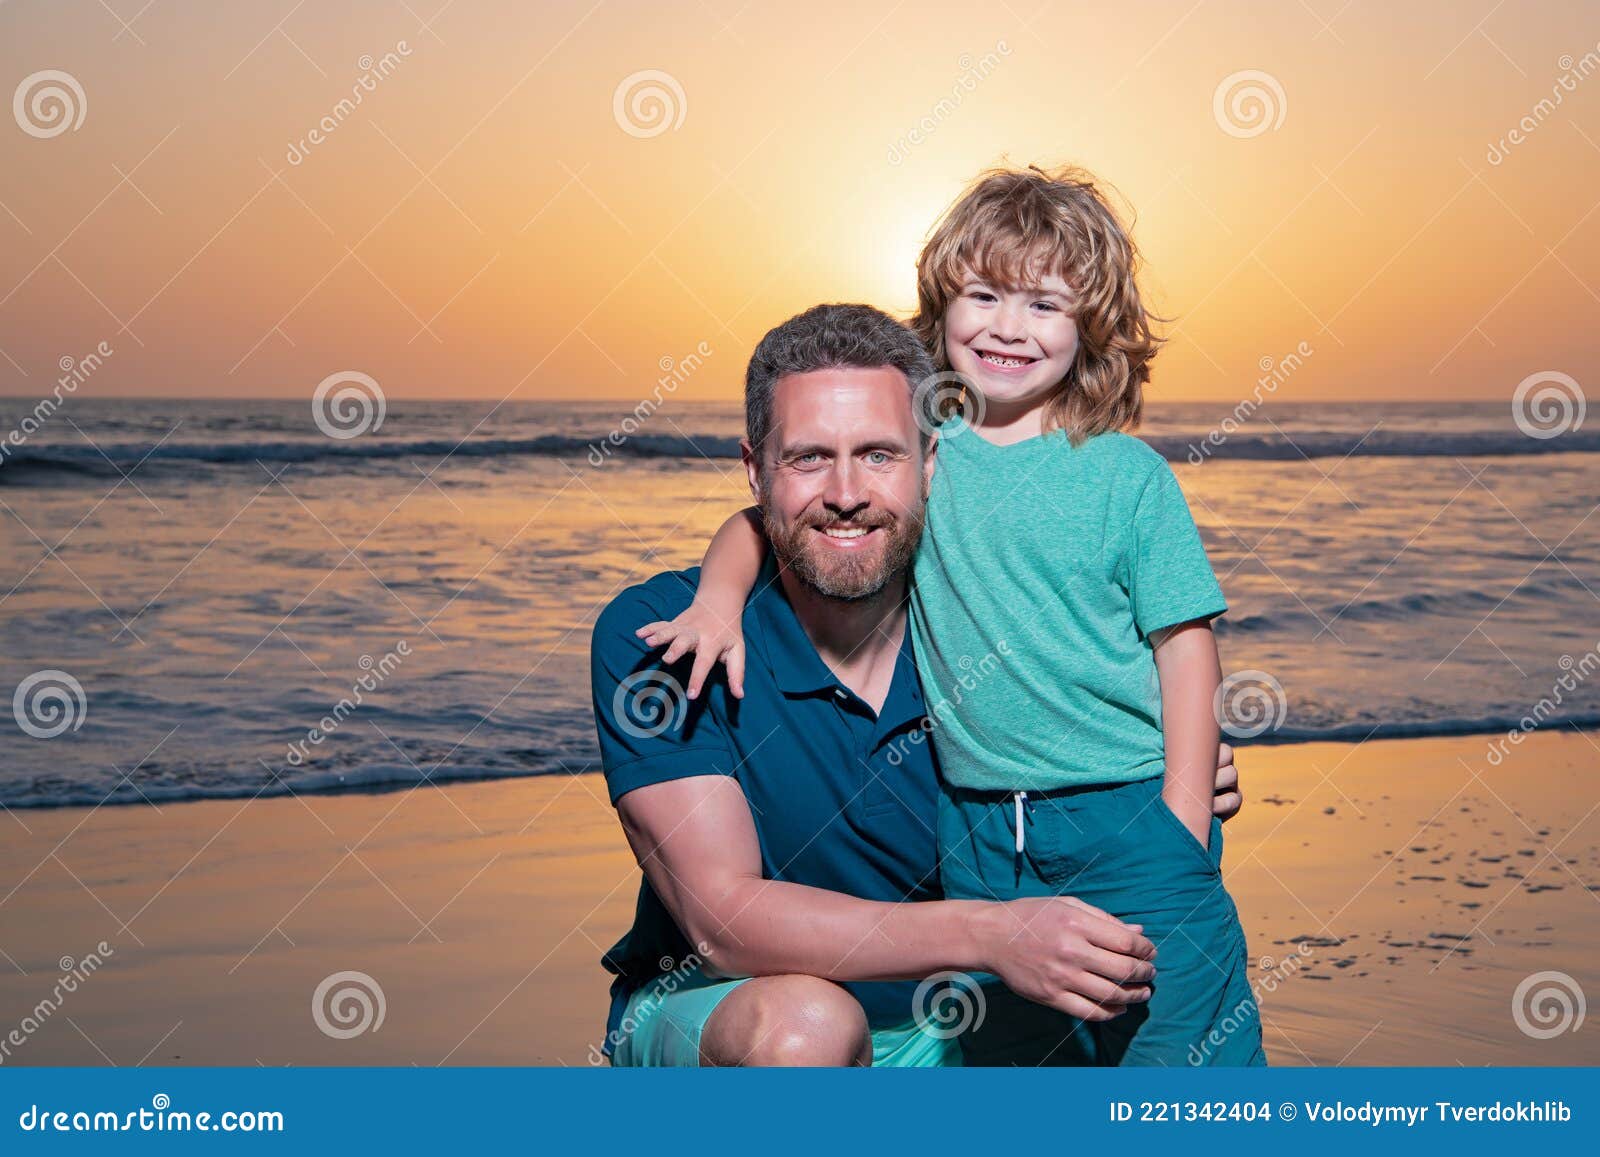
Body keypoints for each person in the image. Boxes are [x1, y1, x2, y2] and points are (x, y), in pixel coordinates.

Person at [640, 165, 1265, 1066]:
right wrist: (715, 598)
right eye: (984, 295)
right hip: (977, 838)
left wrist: (1180, 803)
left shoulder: (1128, 476)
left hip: (1129, 820)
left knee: (1177, 1065)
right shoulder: (924, 458)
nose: (1010, 328)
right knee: (1018, 1068)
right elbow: (760, 519)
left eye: (1046, 305)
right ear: (942, 306)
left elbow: (1184, 648)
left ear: (1090, 330)